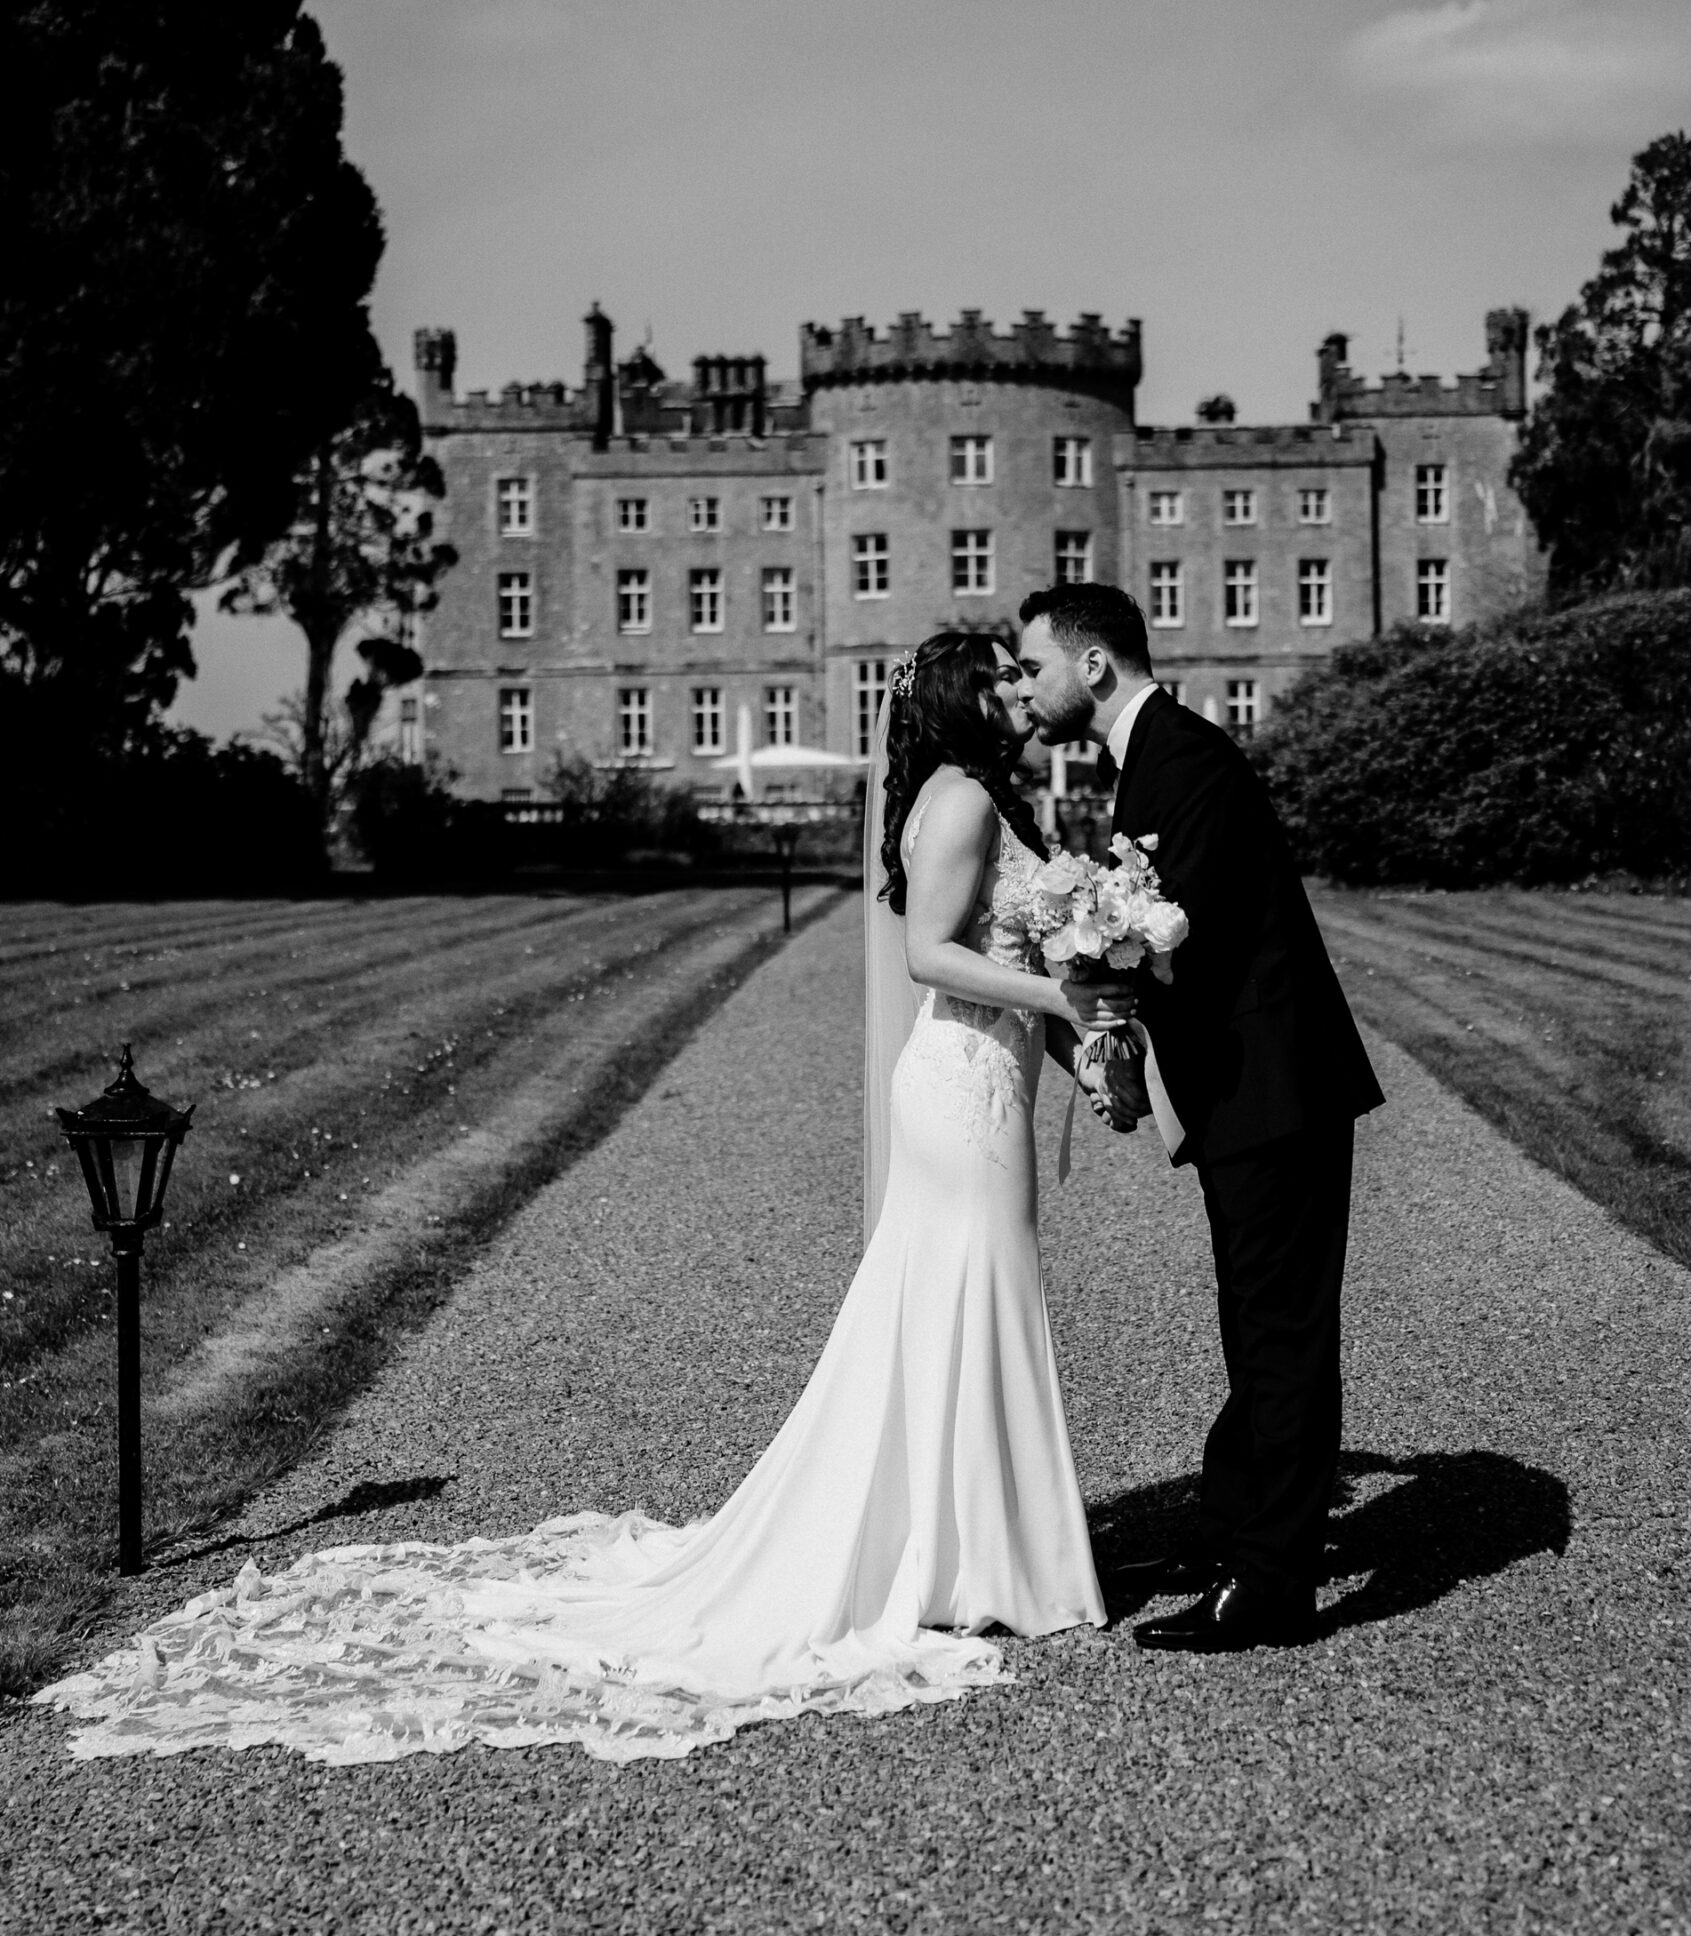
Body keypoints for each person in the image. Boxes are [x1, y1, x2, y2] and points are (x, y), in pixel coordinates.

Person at [39, 632, 1123, 1768]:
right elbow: (929, 958)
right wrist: (1066, 988)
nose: (1015, 684)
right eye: (998, 672)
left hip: (979, 1080)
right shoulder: (958, 803)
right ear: (961, 696)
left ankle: (968, 1547)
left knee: (956, 1302)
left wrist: (1076, 1017)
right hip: (962, 1085)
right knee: (964, 1295)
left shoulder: (967, 792)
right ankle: (981, 1551)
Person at [1016, 581, 1383, 1651]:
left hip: (1278, 1091)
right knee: (1255, 1318)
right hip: (1252, 1090)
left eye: (1034, 664)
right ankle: (1235, 1525)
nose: (1026, 686)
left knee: (1282, 1331)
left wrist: (1110, 1013)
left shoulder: (1181, 758)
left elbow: (1187, 934)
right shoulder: (1158, 755)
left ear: (1094, 665)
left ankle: (1273, 1583)